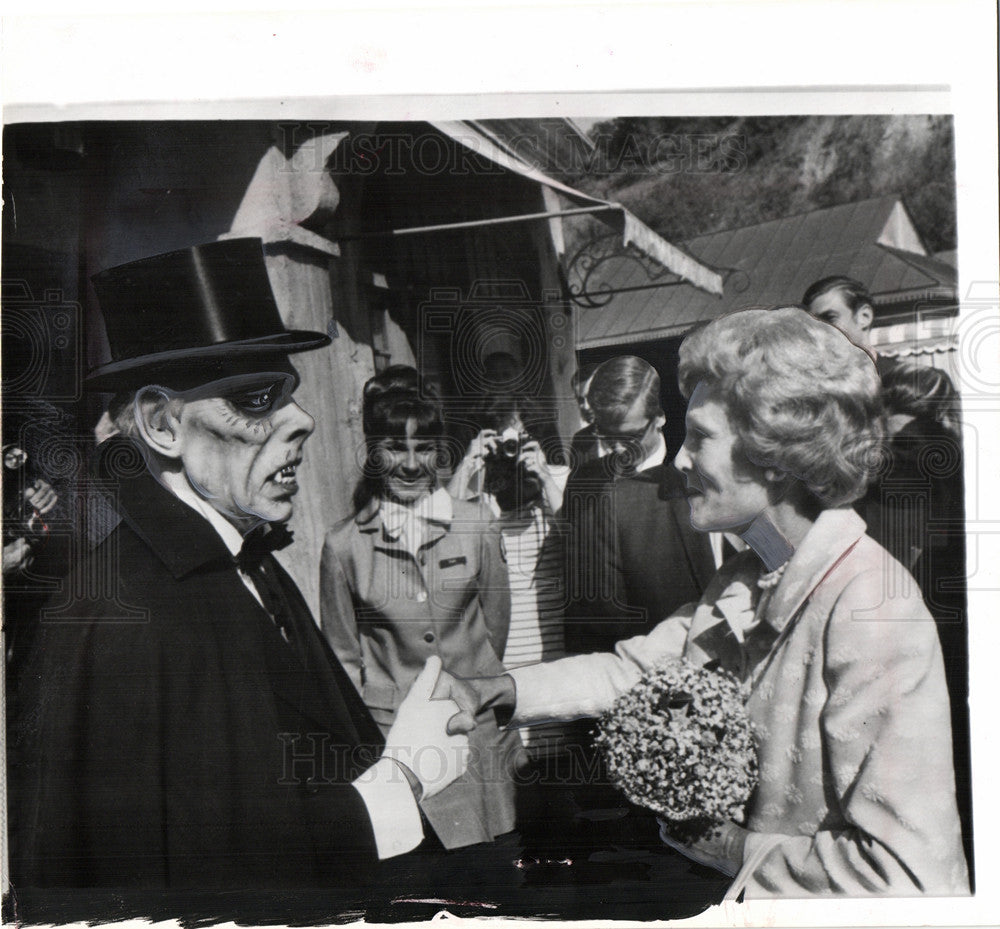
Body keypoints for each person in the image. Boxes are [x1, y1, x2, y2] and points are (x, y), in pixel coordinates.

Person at [449, 307, 969, 897]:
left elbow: (905, 877)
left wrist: (727, 849)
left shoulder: (871, 608)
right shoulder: (751, 575)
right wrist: (507, 690)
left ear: (775, 452)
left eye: (699, 438)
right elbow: (641, 671)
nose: (678, 460)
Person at [7, 240, 471, 895]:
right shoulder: (118, 615)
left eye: (290, 393)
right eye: (256, 399)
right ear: (164, 424)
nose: (303, 420)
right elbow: (203, 874)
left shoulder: (235, 557)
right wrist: (404, 777)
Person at [319, 366, 522, 850]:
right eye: (394, 448)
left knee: (501, 884)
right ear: (373, 452)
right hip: (401, 747)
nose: (411, 465)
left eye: (424, 448)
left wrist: (475, 693)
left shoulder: (476, 525)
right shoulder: (344, 545)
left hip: (479, 739)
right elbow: (343, 660)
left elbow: (496, 628)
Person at [561, 355, 716, 653]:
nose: (617, 450)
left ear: (659, 417)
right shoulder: (583, 481)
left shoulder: (693, 473)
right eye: (606, 436)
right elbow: (581, 600)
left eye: (630, 436)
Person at [448, 394, 570, 756]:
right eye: (502, 440)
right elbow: (444, 537)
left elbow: (582, 543)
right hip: (505, 654)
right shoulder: (478, 490)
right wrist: (467, 467)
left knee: (560, 758)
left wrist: (546, 478)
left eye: (518, 438)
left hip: (555, 650)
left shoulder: (558, 478)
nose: (510, 451)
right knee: (519, 765)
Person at [802, 275, 897, 378]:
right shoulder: (813, 386)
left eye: (829, 318)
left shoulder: (902, 380)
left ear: (864, 317)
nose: (818, 331)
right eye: (812, 324)